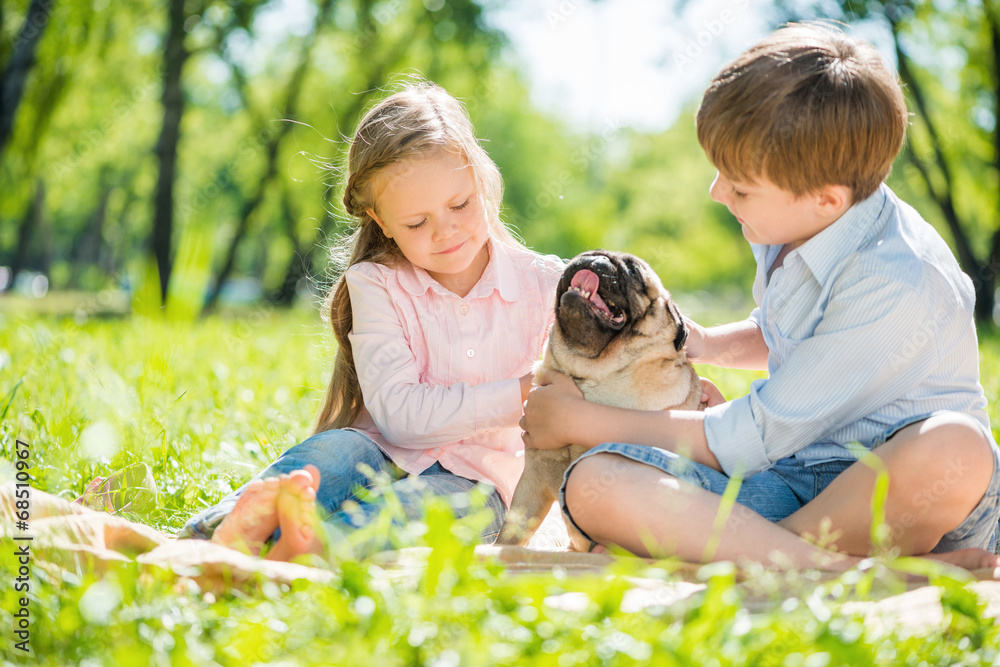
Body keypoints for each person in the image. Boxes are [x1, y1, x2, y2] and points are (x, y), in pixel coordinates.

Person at [521, 23, 1000, 571]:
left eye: (740, 186)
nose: (717, 192)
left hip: (894, 493)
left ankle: (760, 553)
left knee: (954, 449)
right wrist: (703, 343)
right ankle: (803, 558)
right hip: (792, 483)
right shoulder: (796, 224)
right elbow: (787, 337)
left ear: (825, 199)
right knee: (593, 481)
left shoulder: (897, 279)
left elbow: (750, 438)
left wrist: (579, 422)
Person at [180, 81, 564, 560]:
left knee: (416, 513)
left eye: (460, 205)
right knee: (327, 458)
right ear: (379, 220)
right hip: (377, 449)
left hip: (481, 482)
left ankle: (311, 551)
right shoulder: (376, 284)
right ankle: (214, 536)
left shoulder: (547, 284)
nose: (445, 231)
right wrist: (522, 395)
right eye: (416, 223)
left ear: (483, 182)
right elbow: (402, 419)